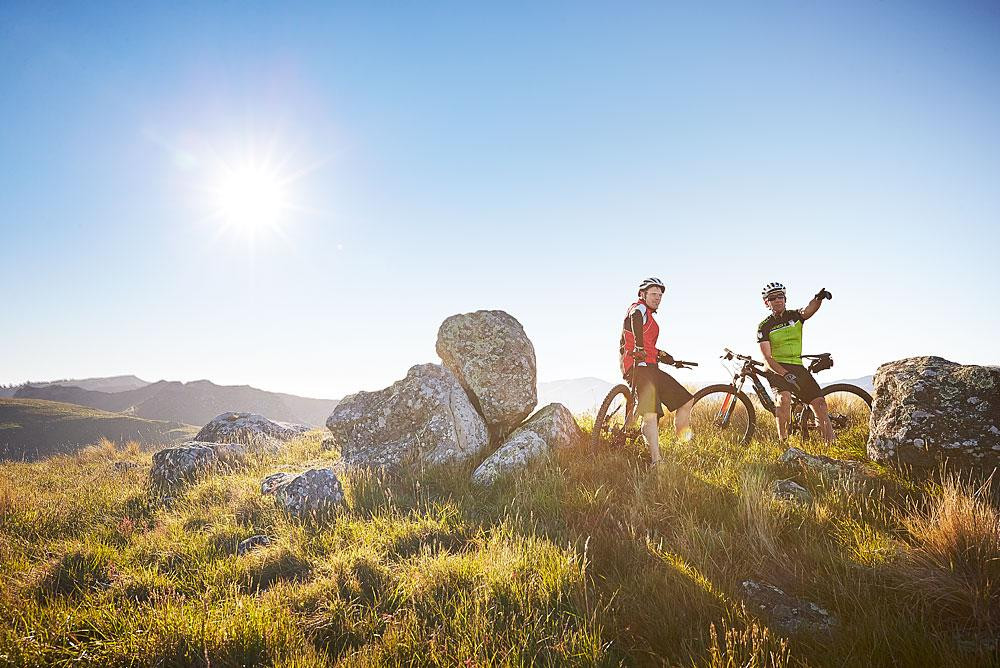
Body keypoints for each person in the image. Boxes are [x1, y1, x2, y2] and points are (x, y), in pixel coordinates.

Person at [619, 277, 694, 467]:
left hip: (652, 368)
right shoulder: (639, 308)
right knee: (650, 413)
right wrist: (638, 346)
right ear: (642, 295)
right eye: (653, 294)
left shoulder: (650, 318)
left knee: (686, 401)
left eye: (660, 295)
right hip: (637, 368)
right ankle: (656, 461)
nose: (657, 298)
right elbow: (635, 317)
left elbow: (649, 345)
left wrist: (665, 356)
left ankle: (681, 447)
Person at [756, 282, 834, 442]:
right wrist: (784, 374)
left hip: (797, 366)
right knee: (783, 399)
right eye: (772, 298)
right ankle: (784, 444)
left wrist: (818, 299)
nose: (778, 300)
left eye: (780, 296)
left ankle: (831, 444)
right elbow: (767, 358)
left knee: (819, 404)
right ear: (766, 302)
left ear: (785, 298)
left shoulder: (795, 316)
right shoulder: (764, 326)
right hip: (776, 369)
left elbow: (808, 310)